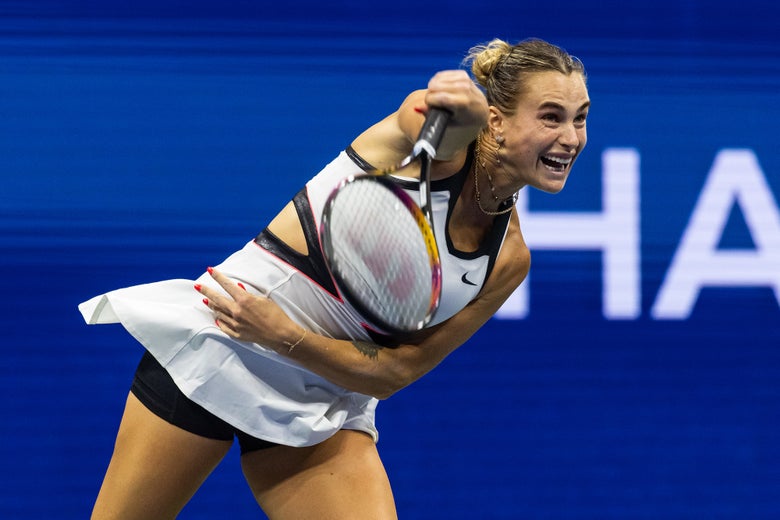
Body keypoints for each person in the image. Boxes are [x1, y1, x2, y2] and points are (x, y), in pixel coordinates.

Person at [79, 37, 590, 519]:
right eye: (551, 117)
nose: (570, 138)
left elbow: (396, 372)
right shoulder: (431, 154)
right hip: (225, 343)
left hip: (319, 394)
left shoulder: (508, 260)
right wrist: (460, 106)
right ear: (497, 121)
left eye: (580, 119)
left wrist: (284, 335)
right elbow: (437, 123)